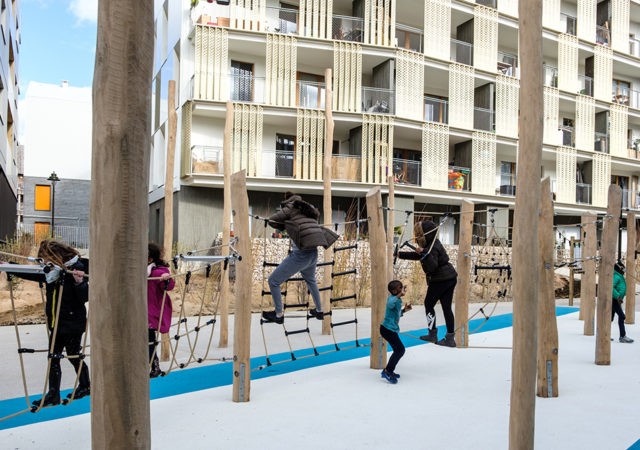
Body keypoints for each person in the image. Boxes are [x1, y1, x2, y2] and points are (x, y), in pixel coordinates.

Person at [7, 240, 90, 407]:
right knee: (53, 357)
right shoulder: (53, 271)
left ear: (54, 256)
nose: (43, 262)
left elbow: (85, 297)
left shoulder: (75, 267)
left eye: (44, 258)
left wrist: (79, 283)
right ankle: (54, 394)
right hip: (57, 322)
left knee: (73, 355)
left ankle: (86, 385)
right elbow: (35, 274)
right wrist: (10, 266)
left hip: (72, 323)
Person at [262, 192, 339, 324]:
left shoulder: (290, 207)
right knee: (311, 280)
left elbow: (272, 220)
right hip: (313, 253)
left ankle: (278, 315)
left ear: (287, 200)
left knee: (273, 281)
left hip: (300, 255)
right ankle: (319, 310)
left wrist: (284, 225)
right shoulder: (307, 207)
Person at [397, 220, 458, 347]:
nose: (418, 236)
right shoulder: (432, 243)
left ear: (426, 234)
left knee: (428, 304)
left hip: (441, 279)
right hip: (450, 277)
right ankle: (450, 338)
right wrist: (400, 254)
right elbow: (420, 256)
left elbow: (432, 266)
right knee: (446, 308)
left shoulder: (432, 246)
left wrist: (423, 253)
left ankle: (432, 334)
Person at [147, 242, 175, 377]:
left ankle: (154, 366)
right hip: (142, 309)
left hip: (153, 309)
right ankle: (153, 365)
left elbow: (169, 286)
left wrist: (166, 280)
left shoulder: (158, 271)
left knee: (149, 339)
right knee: (146, 339)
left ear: (150, 259)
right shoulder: (140, 271)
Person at [380, 280, 412, 384]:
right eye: (400, 287)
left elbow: (395, 314)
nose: (402, 288)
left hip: (390, 329)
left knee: (398, 350)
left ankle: (389, 370)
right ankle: (387, 371)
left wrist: (404, 310)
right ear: (394, 291)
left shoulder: (397, 300)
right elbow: (389, 304)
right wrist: (399, 295)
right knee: (400, 350)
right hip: (387, 330)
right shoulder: (392, 299)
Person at [612, 261, 633, 343]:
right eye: (623, 268)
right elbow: (610, 287)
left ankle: (606, 334)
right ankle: (622, 336)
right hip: (614, 299)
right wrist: (617, 296)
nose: (624, 270)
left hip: (616, 300)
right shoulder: (616, 276)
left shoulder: (619, 276)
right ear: (619, 268)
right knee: (622, 316)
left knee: (610, 317)